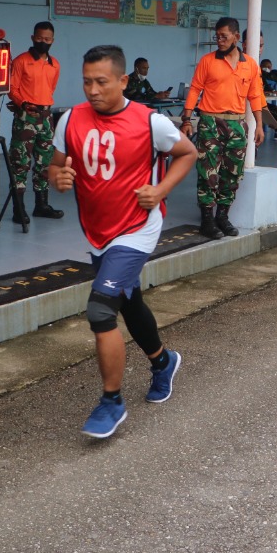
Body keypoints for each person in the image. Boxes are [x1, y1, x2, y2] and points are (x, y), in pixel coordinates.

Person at [49, 45, 198, 439]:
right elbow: (55, 164)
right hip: (97, 231)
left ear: (122, 80)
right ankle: (163, 361)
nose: (93, 90)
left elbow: (188, 152)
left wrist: (161, 189)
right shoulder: (69, 119)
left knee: (101, 312)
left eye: (101, 82)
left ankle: (112, 401)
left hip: (136, 227)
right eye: (86, 82)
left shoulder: (150, 121)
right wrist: (57, 179)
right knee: (128, 302)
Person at [180, 17, 267, 239]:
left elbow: (256, 95)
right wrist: (187, 119)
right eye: (217, 36)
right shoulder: (208, 61)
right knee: (208, 172)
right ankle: (207, 220)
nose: (219, 40)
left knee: (232, 173)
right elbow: (194, 90)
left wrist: (259, 125)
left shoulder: (250, 65)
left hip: (237, 124)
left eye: (224, 36)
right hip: (210, 122)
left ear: (236, 38)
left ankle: (223, 216)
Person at [7, 20, 64, 226]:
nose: (43, 42)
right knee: (20, 162)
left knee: (45, 162)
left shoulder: (54, 64)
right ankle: (18, 209)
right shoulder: (21, 61)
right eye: (39, 38)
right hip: (26, 116)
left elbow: (51, 88)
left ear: (52, 41)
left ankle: (41, 205)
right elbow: (12, 88)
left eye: (47, 39)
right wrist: (23, 103)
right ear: (33, 38)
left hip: (46, 117)